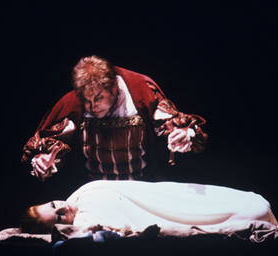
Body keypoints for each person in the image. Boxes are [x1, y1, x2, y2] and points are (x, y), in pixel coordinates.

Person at [22, 55, 208, 182]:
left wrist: (184, 134)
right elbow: (47, 144)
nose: (92, 107)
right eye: (87, 100)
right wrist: (43, 160)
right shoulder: (73, 104)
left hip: (144, 183)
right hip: (96, 189)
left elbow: (173, 124)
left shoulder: (140, 91)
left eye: (98, 98)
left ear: (114, 89)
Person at [19, 180, 278, 234]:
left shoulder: (81, 191)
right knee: (250, 213)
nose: (62, 208)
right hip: (161, 213)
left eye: (54, 204)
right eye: (57, 217)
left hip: (168, 195)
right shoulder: (83, 220)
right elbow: (89, 229)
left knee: (245, 200)